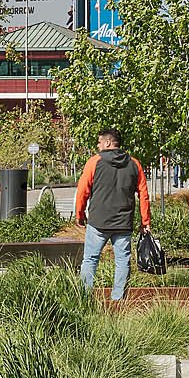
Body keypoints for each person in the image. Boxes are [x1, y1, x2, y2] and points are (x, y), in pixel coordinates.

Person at [75, 128, 152, 302]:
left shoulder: (94, 162)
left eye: (99, 141)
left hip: (98, 222)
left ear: (108, 143)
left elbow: (82, 191)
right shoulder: (135, 164)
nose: (98, 145)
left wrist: (80, 214)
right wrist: (145, 221)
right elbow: (144, 195)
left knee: (90, 260)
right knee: (122, 261)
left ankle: (84, 299)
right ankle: (118, 300)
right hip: (123, 223)